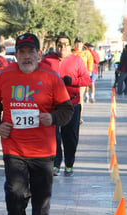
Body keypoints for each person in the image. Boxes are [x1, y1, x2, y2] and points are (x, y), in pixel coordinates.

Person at [0, 33, 74, 215]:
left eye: (30, 52)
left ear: (39, 54)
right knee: (15, 193)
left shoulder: (51, 78)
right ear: (15, 55)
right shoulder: (4, 76)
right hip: (14, 148)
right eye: (22, 52)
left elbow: (67, 109)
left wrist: (52, 118)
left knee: (41, 198)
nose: (26, 56)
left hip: (44, 151)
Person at [42, 33, 91, 177]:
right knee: (53, 136)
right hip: (52, 105)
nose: (62, 47)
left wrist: (73, 81)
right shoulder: (47, 60)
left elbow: (86, 80)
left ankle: (69, 164)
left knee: (70, 137)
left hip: (71, 104)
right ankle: (56, 164)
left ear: (70, 47)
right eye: (59, 44)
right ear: (55, 45)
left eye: (65, 45)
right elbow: (38, 77)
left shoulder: (77, 60)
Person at [73, 37, 93, 105]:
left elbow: (90, 61)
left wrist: (89, 70)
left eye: (80, 43)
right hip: (73, 77)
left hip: (82, 77)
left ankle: (79, 112)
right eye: (77, 43)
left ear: (82, 44)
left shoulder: (86, 53)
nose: (78, 45)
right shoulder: (71, 52)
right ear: (74, 44)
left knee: (80, 95)